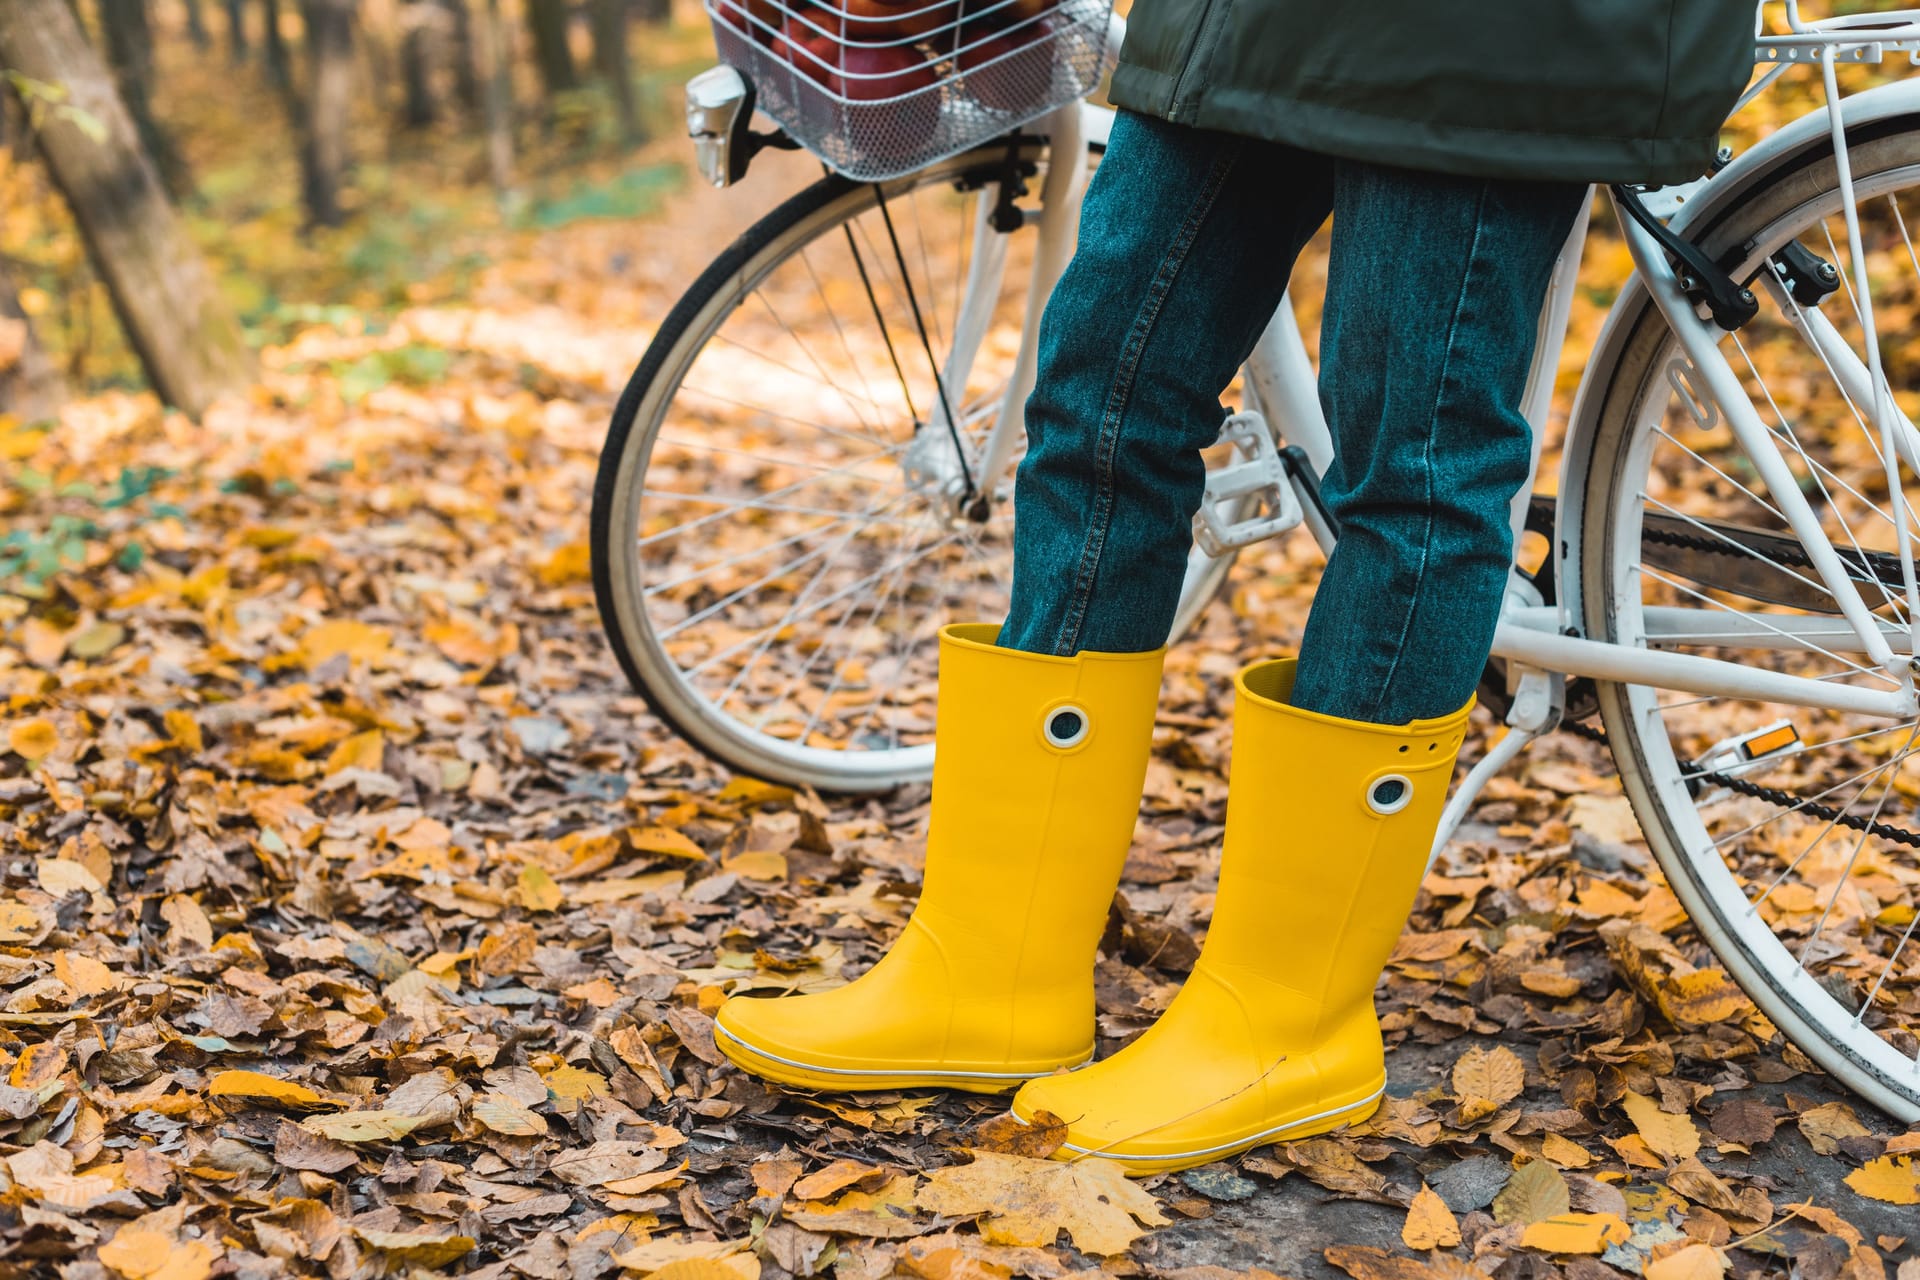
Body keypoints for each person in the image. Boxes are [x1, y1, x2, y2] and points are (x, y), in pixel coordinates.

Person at [712, 2, 1758, 1172]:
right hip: (1252, 20)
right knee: (1097, 400)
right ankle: (993, 966)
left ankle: (1287, 1019)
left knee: (1413, 462)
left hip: (1491, 38)